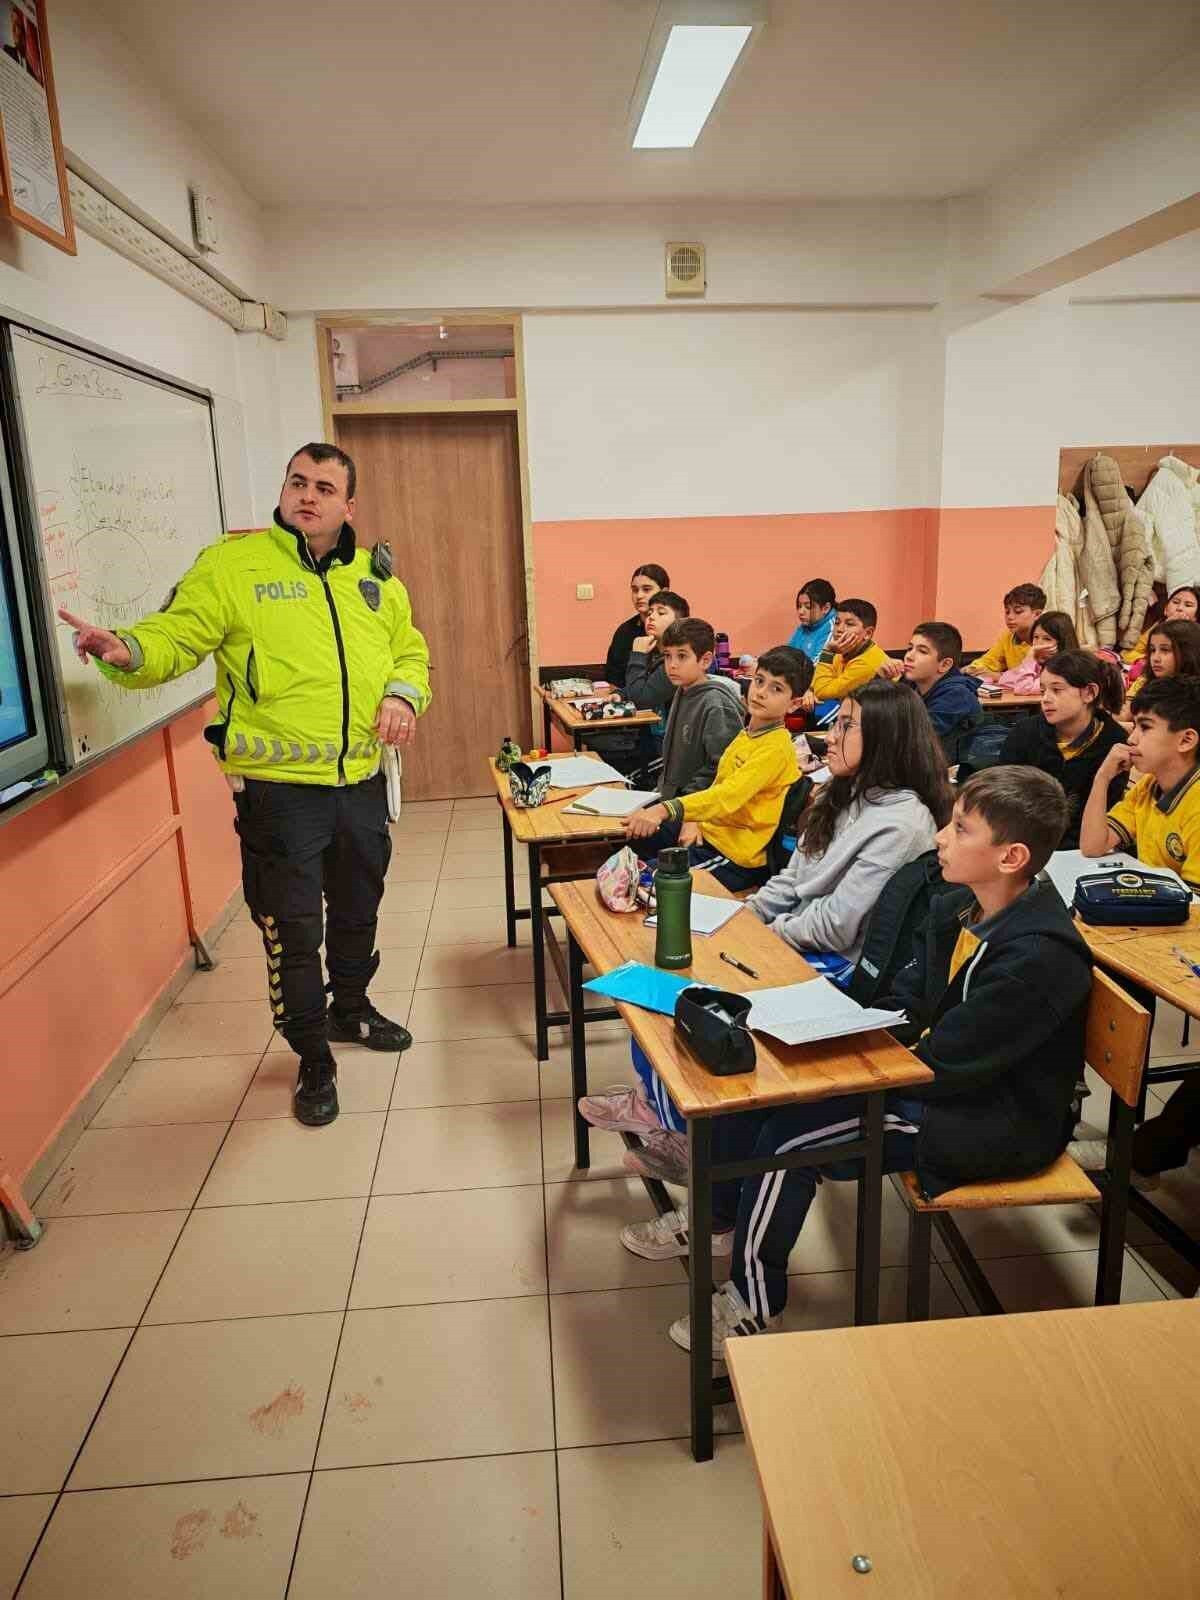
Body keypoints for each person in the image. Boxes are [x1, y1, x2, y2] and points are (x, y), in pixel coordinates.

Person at [642, 766, 1090, 1357]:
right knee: (753, 1095)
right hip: (929, 1075)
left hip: (990, 1118)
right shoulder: (961, 907)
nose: (940, 838)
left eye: (961, 829)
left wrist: (840, 1074)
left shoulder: (1038, 957)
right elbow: (908, 999)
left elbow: (949, 1066)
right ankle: (719, 1220)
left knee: (791, 1137)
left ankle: (754, 1302)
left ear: (1011, 858)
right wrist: (837, 1033)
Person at [59, 443, 431, 1129]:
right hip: (278, 795)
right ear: (284, 491)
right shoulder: (234, 567)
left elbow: (409, 649)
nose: (307, 496)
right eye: (297, 482)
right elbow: (178, 635)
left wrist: (403, 694)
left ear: (349, 505)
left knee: (357, 910)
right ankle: (313, 1054)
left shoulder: (376, 580)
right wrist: (129, 650)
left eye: (324, 487)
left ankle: (351, 1009)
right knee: (294, 929)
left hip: (359, 781)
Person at [592, 678, 948, 1183]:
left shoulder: (903, 824)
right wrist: (745, 918)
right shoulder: (843, 792)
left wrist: (763, 937)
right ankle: (660, 1108)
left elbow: (836, 925)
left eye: (846, 726)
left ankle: (690, 1143)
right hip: (793, 937)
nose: (829, 735)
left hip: (836, 964)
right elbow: (789, 880)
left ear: (886, 740)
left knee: (694, 998)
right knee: (660, 973)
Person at [620, 644, 809, 892]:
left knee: (640, 881)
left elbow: (727, 796)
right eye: (759, 681)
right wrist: (694, 820)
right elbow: (718, 784)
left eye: (776, 689)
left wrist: (664, 809)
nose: (761, 693)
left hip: (731, 856)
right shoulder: (749, 733)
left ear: (794, 704)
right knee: (629, 837)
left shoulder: (775, 749)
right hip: (709, 832)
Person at [998, 650, 1128, 850]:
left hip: (1084, 849)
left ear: (1089, 693)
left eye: (1057, 690)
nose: (1046, 699)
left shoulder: (1114, 742)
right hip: (1024, 844)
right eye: (1043, 690)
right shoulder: (1025, 733)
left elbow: (1108, 811)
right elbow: (1003, 798)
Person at [1080, 675, 1200, 890]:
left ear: (1186, 740)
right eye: (1134, 726)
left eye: (1145, 727)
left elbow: (1195, 903)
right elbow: (1093, 846)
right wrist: (1102, 778)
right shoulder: (1149, 785)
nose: (1131, 739)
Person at [652, 618, 745, 801]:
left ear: (705, 660)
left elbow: (722, 767)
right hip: (672, 799)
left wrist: (683, 800)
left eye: (682, 656)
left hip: (696, 805)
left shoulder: (716, 704)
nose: (672, 664)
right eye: (668, 656)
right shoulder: (683, 690)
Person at [896, 620, 981, 761]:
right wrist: (880, 679)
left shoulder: (957, 695)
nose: (909, 656)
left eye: (922, 651)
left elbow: (914, 737)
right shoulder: (911, 684)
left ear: (944, 664)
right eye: (910, 648)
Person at [624, 589, 691, 755]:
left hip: (669, 747)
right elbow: (642, 685)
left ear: (679, 622)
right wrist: (620, 694)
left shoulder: (677, 661)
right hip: (650, 738)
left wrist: (637, 655)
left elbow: (641, 700)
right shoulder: (654, 652)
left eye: (661, 613)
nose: (651, 617)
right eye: (650, 613)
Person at [805, 598, 888, 723]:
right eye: (837, 622)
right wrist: (810, 690)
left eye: (849, 624)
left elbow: (821, 691)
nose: (839, 629)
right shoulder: (844, 650)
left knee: (821, 713)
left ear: (868, 633)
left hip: (874, 720)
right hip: (846, 707)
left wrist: (828, 651)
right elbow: (818, 683)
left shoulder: (867, 663)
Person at [604, 563, 670, 686]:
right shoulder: (625, 631)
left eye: (647, 589)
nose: (639, 596)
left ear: (664, 592)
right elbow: (612, 677)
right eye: (635, 590)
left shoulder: (678, 630)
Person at [964, 583, 1045, 678]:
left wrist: (998, 676)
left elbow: (1039, 678)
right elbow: (988, 661)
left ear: (1037, 614)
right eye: (1007, 612)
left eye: (1018, 612)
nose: (1010, 617)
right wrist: (971, 669)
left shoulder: (1047, 640)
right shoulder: (1008, 637)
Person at [789, 578, 837, 663]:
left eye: (808, 607)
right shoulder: (805, 625)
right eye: (799, 606)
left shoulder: (833, 629)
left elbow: (819, 665)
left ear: (826, 608)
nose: (801, 612)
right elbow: (787, 653)